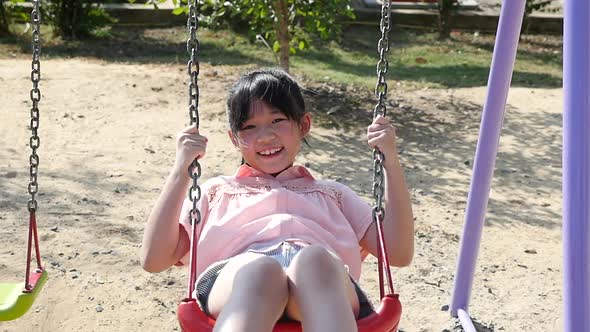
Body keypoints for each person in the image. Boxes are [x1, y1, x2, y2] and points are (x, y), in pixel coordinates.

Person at [140, 68, 414, 332]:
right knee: (261, 270)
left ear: (303, 125)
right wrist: (181, 169)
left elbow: (399, 253)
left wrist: (390, 159)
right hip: (237, 283)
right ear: (234, 139)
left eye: (277, 120)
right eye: (249, 127)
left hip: (323, 286)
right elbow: (154, 259)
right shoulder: (216, 192)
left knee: (316, 260)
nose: (265, 136)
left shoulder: (334, 195)